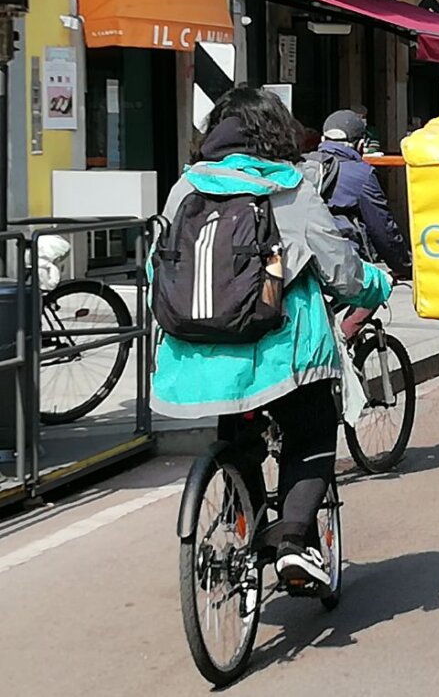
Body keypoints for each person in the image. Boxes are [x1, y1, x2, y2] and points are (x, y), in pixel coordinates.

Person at [152, 87, 392, 587]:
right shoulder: (291, 188)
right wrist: (379, 282)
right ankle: (293, 542)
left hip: (200, 351)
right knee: (311, 429)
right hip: (282, 351)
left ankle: (242, 525)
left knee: (238, 430)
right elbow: (341, 271)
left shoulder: (185, 188)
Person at [306, 109, 413, 279]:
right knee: (375, 289)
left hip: (298, 259)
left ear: (322, 140)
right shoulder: (361, 174)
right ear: (362, 145)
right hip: (341, 262)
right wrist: (404, 265)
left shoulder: (300, 165)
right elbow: (382, 227)